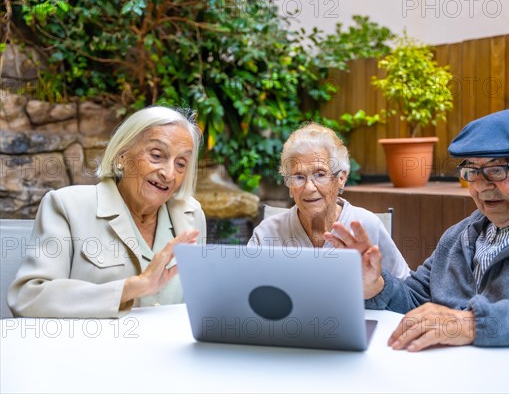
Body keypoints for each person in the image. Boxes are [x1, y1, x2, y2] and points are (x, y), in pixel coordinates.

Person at [328, 109, 509, 363]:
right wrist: (376, 285)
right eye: (471, 172)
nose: (481, 187)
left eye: (496, 170)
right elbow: (416, 300)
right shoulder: (461, 235)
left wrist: (471, 323)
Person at [8, 106, 206, 318]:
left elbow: (200, 303)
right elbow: (28, 298)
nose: (169, 173)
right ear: (122, 156)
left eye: (181, 164)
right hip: (90, 349)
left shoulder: (191, 215)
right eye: (157, 155)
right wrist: (133, 287)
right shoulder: (67, 206)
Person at [249, 122, 411, 280]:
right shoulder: (267, 233)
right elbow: (245, 288)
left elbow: (406, 290)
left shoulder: (368, 225)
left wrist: (377, 284)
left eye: (320, 174)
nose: (309, 187)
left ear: (341, 178)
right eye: (299, 177)